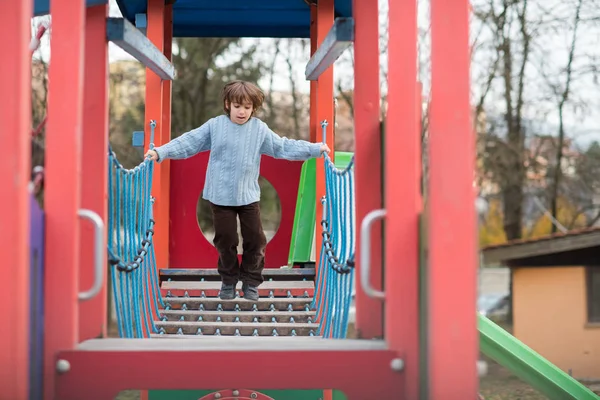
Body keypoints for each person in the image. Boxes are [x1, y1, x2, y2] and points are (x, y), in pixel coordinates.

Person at [145, 80, 330, 301]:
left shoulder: (259, 129)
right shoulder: (215, 126)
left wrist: (314, 149)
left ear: (254, 109)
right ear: (227, 105)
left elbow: (283, 146)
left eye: (247, 107)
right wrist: (160, 152)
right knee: (226, 240)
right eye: (237, 106)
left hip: (248, 196)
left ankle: (251, 282)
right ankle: (229, 281)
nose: (242, 112)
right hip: (220, 196)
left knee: (256, 239)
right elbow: (189, 141)